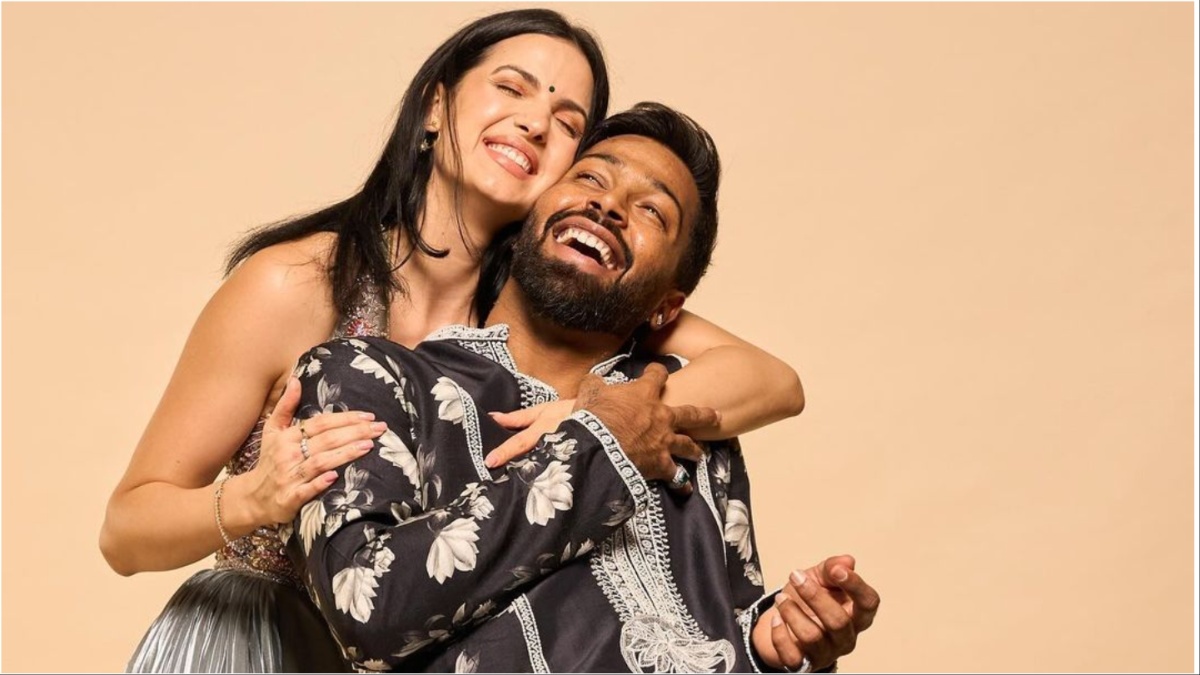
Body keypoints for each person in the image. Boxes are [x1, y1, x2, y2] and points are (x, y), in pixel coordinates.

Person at [102, 9, 804, 672]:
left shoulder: (537, 309)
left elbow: (769, 379)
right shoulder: (299, 283)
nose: (535, 122)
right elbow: (125, 530)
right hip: (258, 638)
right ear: (434, 107)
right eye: (512, 88)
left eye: (567, 121)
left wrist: (591, 417)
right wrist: (256, 498)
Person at [286, 103, 878, 673]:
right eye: (591, 177)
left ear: (667, 306)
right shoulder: (368, 376)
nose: (610, 205)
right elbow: (364, 607)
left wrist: (773, 647)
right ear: (526, 223)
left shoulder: (690, 419)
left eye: (653, 212)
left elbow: (723, 632)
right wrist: (600, 445)